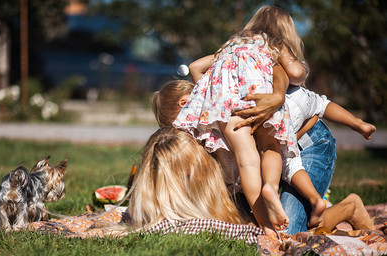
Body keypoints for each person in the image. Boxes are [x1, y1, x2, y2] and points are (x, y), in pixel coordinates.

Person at [152, 74, 375, 234]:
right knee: (253, 222)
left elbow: (296, 125)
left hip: (308, 146)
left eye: (179, 128)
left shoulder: (230, 106)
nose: (185, 136)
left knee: (288, 231)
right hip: (279, 157)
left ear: (184, 105)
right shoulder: (208, 128)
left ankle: (349, 207)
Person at [173, 5, 313, 236]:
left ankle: (266, 227)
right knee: (270, 147)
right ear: (284, 30)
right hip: (260, 94)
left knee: (246, 160)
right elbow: (297, 74)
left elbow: (199, 68)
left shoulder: (231, 44)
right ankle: (270, 186)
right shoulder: (275, 42)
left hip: (227, 101)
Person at [90, 127, 374, 237]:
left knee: (289, 233)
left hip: (302, 148)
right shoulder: (182, 154)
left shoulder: (210, 164)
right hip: (271, 163)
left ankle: (349, 207)